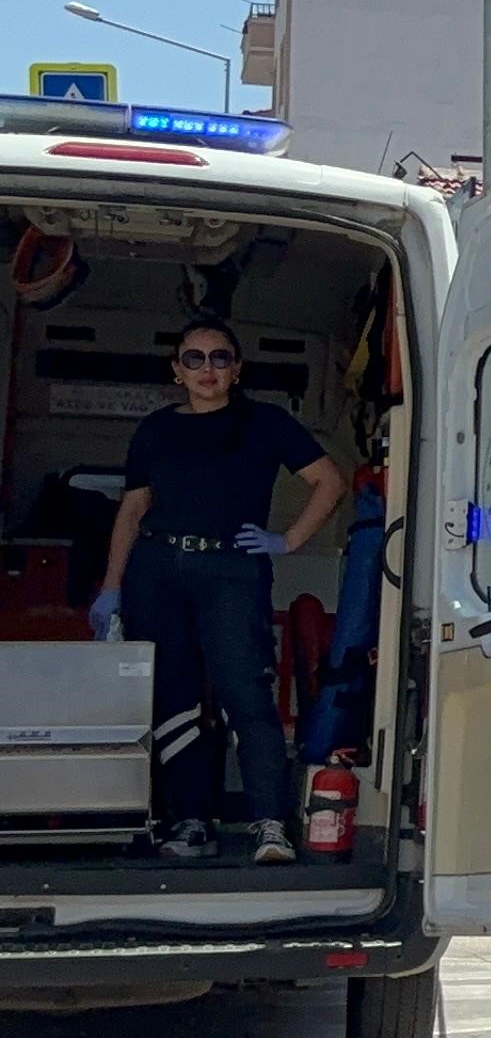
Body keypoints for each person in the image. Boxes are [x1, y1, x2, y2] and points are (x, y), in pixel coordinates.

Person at [92, 315, 348, 863]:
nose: (207, 369)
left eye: (220, 358)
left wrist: (288, 540)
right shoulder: (156, 429)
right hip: (157, 569)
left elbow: (330, 481)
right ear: (177, 371)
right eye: (194, 358)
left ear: (237, 369)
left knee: (244, 692)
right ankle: (191, 823)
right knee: (173, 698)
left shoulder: (265, 423)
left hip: (231, 569)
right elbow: (133, 508)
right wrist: (112, 586)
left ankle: (269, 824)